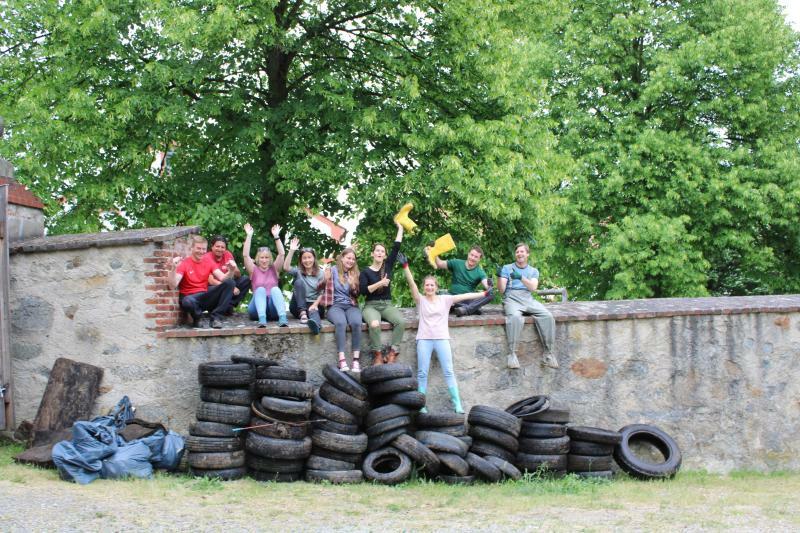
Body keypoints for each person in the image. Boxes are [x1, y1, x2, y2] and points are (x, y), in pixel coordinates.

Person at [401, 259, 489, 413]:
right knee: (422, 373)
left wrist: (484, 293)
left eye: (432, 285)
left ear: (436, 287)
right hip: (424, 340)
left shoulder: (445, 299)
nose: (429, 287)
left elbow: (465, 295)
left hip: (442, 339)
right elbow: (412, 285)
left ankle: (457, 404)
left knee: (448, 371)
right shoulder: (420, 300)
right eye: (427, 285)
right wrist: (406, 267)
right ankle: (422, 405)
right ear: (424, 287)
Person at [498, 242, 558, 370]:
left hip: (528, 298)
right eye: (517, 252)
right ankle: (512, 355)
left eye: (522, 252)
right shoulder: (507, 268)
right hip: (512, 297)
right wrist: (499, 278)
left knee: (547, 316)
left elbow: (533, 287)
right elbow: (502, 290)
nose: (519, 254)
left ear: (527, 254)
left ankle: (548, 354)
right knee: (514, 317)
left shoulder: (533, 271)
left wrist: (521, 277)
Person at [360, 223, 406, 366]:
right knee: (374, 324)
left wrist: (400, 228)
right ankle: (378, 355)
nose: (379, 253)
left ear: (384, 255)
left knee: (401, 322)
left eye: (382, 251)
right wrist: (380, 283)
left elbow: (396, 246)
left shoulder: (387, 266)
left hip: (386, 305)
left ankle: (392, 353)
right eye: (377, 251)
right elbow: (363, 291)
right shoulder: (365, 272)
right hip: (371, 306)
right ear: (372, 254)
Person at [167, 235, 236, 329]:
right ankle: (197, 318)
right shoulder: (185, 263)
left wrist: (231, 270)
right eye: (198, 248)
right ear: (192, 248)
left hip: (205, 295)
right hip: (191, 298)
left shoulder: (208, 261)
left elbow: (223, 278)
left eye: (203, 249)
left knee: (230, 283)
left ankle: (216, 318)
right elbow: (172, 285)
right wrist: (173, 268)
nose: (201, 251)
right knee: (187, 301)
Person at [316, 248, 362, 372]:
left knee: (357, 323)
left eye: (353, 259)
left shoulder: (355, 274)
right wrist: (325, 279)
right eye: (348, 258)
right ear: (342, 258)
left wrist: (353, 286)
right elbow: (318, 288)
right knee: (341, 323)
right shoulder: (331, 271)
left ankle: (356, 361)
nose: (351, 261)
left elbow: (357, 295)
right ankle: (342, 360)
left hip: (350, 305)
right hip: (334, 305)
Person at [426, 244, 493, 316]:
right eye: (472, 255)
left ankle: (466, 310)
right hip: (452, 297)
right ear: (468, 254)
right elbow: (440, 264)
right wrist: (434, 252)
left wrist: (489, 285)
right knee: (438, 293)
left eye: (476, 257)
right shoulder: (457, 263)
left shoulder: (480, 272)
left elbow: (486, 285)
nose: (473, 258)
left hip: (467, 300)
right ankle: (471, 309)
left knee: (490, 294)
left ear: (479, 259)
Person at [242, 223, 288, 327]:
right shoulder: (253, 269)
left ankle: (283, 318)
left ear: (270, 258)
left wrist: (276, 236)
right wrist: (249, 235)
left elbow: (281, 254)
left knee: (275, 289)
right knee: (260, 289)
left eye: (266, 257)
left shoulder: (275, 269)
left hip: (272, 309)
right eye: (262, 257)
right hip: (256, 310)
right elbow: (245, 255)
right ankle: (262, 320)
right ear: (258, 258)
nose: (264, 260)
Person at [283, 236, 325, 334]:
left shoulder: (321, 273)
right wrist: (292, 250)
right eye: (304, 258)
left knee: (313, 312)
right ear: (301, 260)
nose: (307, 260)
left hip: (314, 303)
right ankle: (303, 313)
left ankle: (316, 327)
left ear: (314, 258)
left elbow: (322, 293)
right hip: (298, 306)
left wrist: (315, 305)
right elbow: (285, 267)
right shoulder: (298, 271)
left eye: (309, 257)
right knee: (298, 282)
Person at [205, 235, 250, 314]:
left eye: (222, 247)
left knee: (245, 279)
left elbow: (238, 275)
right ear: (212, 247)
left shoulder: (227, 254)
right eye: (217, 246)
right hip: (214, 287)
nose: (220, 249)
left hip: (228, 283)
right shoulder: (207, 257)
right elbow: (211, 281)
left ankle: (228, 305)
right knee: (229, 284)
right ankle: (218, 308)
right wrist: (231, 287)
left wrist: (233, 269)